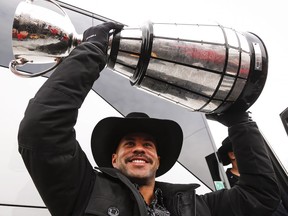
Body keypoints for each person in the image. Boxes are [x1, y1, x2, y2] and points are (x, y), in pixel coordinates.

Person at [17, 22, 280, 216]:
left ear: (158, 160)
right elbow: (41, 130)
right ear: (113, 159)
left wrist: (240, 122)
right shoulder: (83, 192)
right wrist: (92, 50)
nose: (139, 148)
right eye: (129, 143)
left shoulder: (196, 206)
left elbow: (261, 196)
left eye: (148, 145)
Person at [218, 137, 288, 216]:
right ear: (232, 155)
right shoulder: (226, 184)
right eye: (247, 149)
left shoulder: (264, 172)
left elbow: (283, 196)